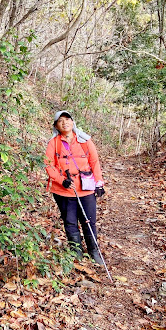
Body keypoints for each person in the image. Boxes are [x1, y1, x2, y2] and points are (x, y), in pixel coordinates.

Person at [45, 110, 105, 264]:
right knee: (70, 221)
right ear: (56, 126)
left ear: (73, 122)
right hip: (64, 190)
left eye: (68, 119)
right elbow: (48, 165)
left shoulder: (84, 141)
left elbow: (94, 162)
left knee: (89, 220)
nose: (65, 123)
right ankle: (76, 252)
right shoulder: (54, 143)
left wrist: (99, 182)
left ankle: (93, 251)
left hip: (85, 187)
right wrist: (60, 180)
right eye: (61, 121)